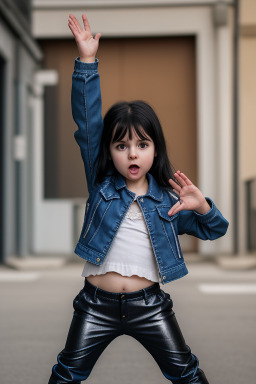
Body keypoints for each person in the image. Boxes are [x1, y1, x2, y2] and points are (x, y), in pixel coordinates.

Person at [48, 14, 229, 384]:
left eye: (142, 145)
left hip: (150, 307)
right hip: (95, 306)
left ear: (154, 150)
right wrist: (86, 63)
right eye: (121, 145)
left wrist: (203, 206)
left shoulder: (168, 199)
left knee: (187, 374)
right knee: (66, 375)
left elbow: (216, 230)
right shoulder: (100, 183)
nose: (132, 154)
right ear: (109, 152)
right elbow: (87, 124)